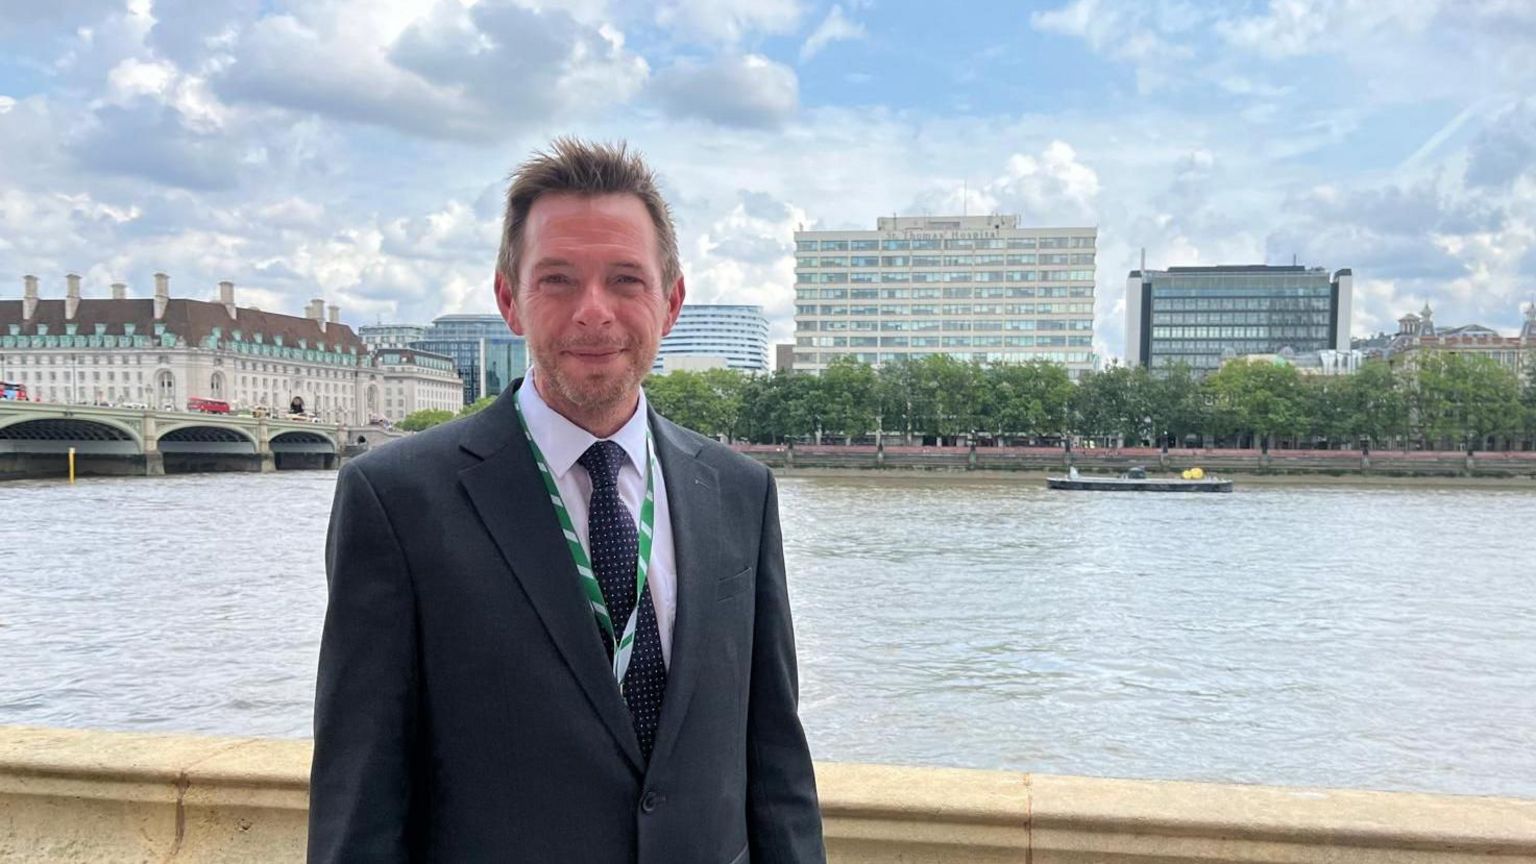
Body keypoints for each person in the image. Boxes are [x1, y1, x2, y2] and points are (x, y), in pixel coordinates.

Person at [308, 138, 826, 863]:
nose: (593, 312)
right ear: (508, 301)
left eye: (625, 280)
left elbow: (776, 761)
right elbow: (359, 795)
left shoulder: (741, 491)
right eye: (557, 280)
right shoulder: (396, 500)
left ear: (670, 303)